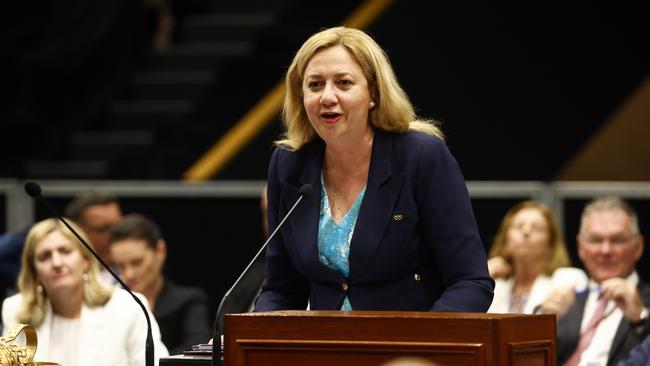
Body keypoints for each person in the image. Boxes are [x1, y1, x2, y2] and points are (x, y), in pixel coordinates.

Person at [253, 26, 494, 312]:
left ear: (373, 93)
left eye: (343, 83)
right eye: (315, 85)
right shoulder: (288, 164)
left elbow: (471, 283)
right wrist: (249, 335)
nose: (327, 97)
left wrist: (419, 348)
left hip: (409, 349)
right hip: (323, 349)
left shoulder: (421, 156)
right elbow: (281, 289)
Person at [1, 218, 168, 365]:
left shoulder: (128, 307)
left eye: (65, 251)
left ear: (86, 260)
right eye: (45, 256)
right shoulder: (16, 311)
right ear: (35, 272)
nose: (57, 262)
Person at [540, 196, 650, 366]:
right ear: (580, 247)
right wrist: (543, 320)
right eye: (596, 240)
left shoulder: (645, 304)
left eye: (617, 240)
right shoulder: (566, 298)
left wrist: (641, 318)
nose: (605, 250)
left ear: (638, 247)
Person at [108, 213, 210, 354]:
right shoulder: (110, 305)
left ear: (160, 251)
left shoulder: (189, 301)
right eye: (120, 266)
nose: (129, 274)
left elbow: (198, 348)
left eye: (137, 262)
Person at [487, 200, 571, 313]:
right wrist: (482, 276)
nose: (526, 232)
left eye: (536, 228)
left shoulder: (566, 279)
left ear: (551, 243)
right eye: (518, 226)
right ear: (505, 240)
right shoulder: (495, 286)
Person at [64, 190, 123, 284]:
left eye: (119, 226)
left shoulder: (137, 274)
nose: (116, 235)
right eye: (104, 229)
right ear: (77, 232)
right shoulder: (64, 275)